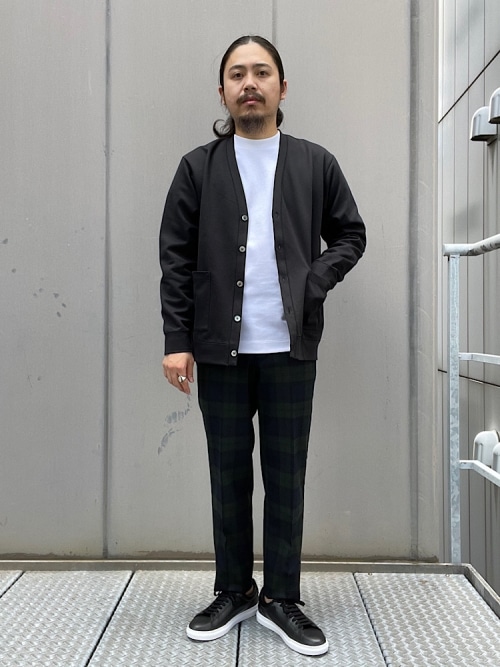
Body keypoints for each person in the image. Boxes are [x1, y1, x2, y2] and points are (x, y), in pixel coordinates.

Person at [159, 35, 366, 657]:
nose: (249, 83)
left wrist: (312, 281)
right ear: (222, 91)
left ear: (282, 86)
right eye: (237, 74)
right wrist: (177, 340)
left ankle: (281, 598)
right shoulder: (197, 168)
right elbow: (174, 259)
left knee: (286, 475)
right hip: (218, 350)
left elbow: (350, 235)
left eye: (262, 72)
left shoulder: (314, 163)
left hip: (290, 350)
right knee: (227, 474)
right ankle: (234, 590)